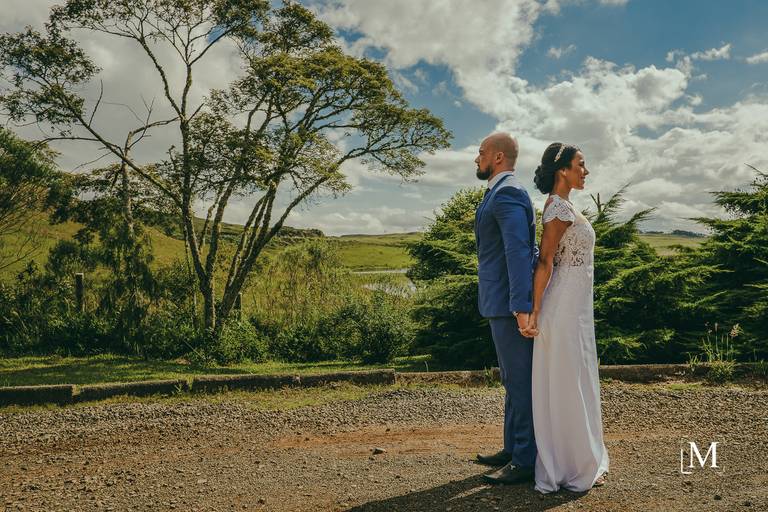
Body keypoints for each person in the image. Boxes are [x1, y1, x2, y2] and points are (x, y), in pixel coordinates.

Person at [523, 142, 610, 493]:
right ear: (563, 170)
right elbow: (544, 262)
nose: (585, 171)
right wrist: (535, 311)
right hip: (561, 310)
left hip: (576, 309)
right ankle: (568, 465)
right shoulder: (557, 209)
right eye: (581, 165)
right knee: (566, 384)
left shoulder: (567, 206)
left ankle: (582, 456)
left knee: (577, 379)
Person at [472, 132, 539, 485]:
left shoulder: (508, 192)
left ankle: (526, 460)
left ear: (497, 157)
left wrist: (521, 306)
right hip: (497, 302)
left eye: (480, 153)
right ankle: (512, 448)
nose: (476, 159)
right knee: (511, 381)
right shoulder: (497, 192)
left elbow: (518, 252)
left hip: (507, 305)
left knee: (520, 382)